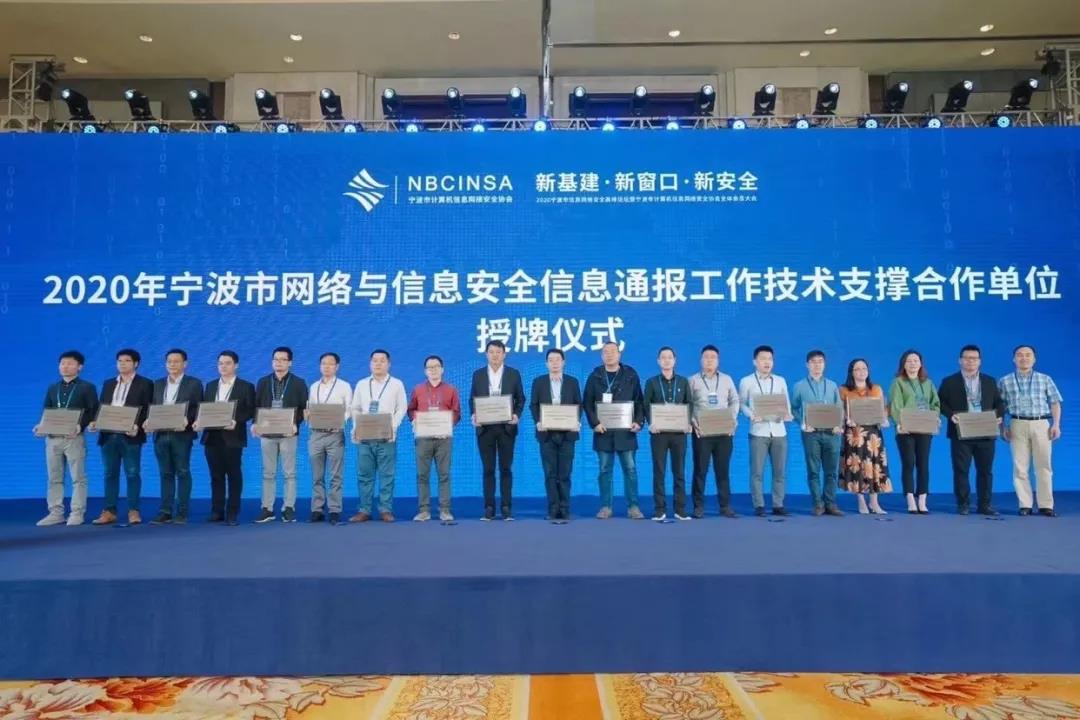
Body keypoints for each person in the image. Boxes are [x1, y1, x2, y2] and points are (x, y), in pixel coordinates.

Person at [33, 350, 99, 526]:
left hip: (74, 438)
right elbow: (47, 411)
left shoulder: (87, 387)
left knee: (78, 477)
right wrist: (40, 426)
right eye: (62, 363)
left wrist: (81, 425)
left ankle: (77, 512)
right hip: (52, 439)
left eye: (70, 363)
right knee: (54, 477)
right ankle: (56, 512)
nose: (65, 367)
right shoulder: (53, 388)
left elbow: (93, 411)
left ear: (80, 367)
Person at [938, 344, 1005, 516]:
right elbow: (940, 403)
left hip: (985, 432)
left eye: (974, 358)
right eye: (967, 358)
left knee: (985, 471)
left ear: (980, 361)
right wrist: (951, 415)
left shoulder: (990, 381)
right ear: (960, 360)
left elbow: (999, 402)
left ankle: (985, 505)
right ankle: (963, 504)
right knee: (961, 470)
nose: (970, 361)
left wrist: (999, 416)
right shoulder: (949, 381)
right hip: (961, 431)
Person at [998, 344, 1064, 517]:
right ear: (1014, 359)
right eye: (1020, 355)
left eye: (1028, 355)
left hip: (1041, 423)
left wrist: (1056, 424)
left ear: (1034, 359)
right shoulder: (1005, 381)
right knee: (1020, 467)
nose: (1024, 358)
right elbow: (1000, 407)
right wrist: (1002, 427)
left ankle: (1046, 505)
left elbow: (1055, 402)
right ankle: (1025, 504)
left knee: (1044, 466)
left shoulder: (1045, 379)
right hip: (1017, 423)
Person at [90, 349, 154, 526]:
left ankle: (133, 510)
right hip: (108, 435)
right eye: (119, 361)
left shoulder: (145, 384)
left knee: (132, 473)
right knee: (110, 474)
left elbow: (148, 409)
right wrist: (95, 422)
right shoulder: (109, 383)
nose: (122, 364)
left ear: (136, 363)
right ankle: (109, 511)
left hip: (130, 435)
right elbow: (102, 408)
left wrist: (138, 426)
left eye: (127, 360)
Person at [583, 341, 646, 519]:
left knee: (630, 469)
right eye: (605, 352)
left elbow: (639, 401)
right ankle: (606, 507)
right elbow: (587, 403)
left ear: (619, 354)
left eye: (613, 351)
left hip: (626, 432)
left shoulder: (630, 374)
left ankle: (633, 507)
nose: (609, 354)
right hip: (603, 432)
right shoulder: (595, 376)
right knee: (604, 470)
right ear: (601, 355)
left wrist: (638, 421)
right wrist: (595, 423)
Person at [469, 340, 526, 521]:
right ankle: (489, 507)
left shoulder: (513, 374)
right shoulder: (478, 375)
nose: (495, 355)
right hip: (485, 429)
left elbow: (521, 399)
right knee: (488, 469)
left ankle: (506, 507)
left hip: (506, 428)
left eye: (498, 352)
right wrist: (474, 415)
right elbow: (472, 400)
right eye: (491, 352)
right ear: (486, 354)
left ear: (504, 354)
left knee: (506, 469)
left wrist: (516, 415)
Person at [198, 350, 255, 525]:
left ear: (236, 365)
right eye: (220, 363)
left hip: (233, 436)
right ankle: (217, 511)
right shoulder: (210, 386)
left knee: (234, 476)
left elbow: (250, 410)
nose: (223, 366)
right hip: (212, 436)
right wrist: (199, 421)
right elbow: (205, 409)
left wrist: (236, 421)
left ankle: (232, 512)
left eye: (227, 363)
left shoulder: (245, 386)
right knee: (215, 476)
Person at [350, 349, 407, 522]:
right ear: (370, 364)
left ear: (389, 364)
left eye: (382, 361)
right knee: (364, 475)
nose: (378, 364)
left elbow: (402, 408)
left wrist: (392, 427)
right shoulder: (361, 384)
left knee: (387, 475)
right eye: (375, 360)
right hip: (365, 438)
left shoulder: (396, 384)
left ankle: (385, 509)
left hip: (386, 437)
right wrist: (357, 427)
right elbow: (355, 408)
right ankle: (364, 510)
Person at [148, 349, 203, 525]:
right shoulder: (157, 384)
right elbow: (152, 407)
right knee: (165, 473)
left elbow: (198, 408)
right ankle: (165, 511)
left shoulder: (194, 383)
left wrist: (189, 419)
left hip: (182, 434)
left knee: (183, 471)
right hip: (160, 434)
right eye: (169, 361)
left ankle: (182, 512)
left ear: (185, 364)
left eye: (176, 361)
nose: (172, 364)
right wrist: (148, 420)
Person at [253, 346, 307, 523]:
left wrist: (296, 424)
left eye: (283, 359)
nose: (279, 362)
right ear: (272, 362)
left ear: (290, 363)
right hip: (267, 434)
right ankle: (267, 508)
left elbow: (303, 408)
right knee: (268, 473)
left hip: (288, 434)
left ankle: (288, 508)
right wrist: (255, 423)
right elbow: (257, 406)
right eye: (276, 359)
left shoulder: (298, 383)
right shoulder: (263, 382)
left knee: (289, 473)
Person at [738, 345, 793, 517]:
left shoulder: (780, 380)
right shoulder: (746, 381)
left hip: (779, 432)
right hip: (758, 431)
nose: (767, 362)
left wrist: (787, 414)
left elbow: (786, 404)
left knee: (779, 471)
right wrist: (751, 415)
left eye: (770, 359)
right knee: (757, 471)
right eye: (763, 359)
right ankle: (759, 505)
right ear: (755, 362)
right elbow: (741, 404)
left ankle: (778, 504)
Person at [529, 348, 582, 524]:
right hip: (546, 435)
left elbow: (578, 405)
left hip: (567, 435)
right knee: (550, 474)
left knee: (565, 473)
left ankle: (565, 509)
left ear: (563, 362)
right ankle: (553, 509)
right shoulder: (539, 382)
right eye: (551, 360)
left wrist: (576, 421)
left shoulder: (572, 382)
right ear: (546, 364)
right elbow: (534, 405)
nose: (554, 363)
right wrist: (538, 421)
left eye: (558, 359)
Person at [407, 354, 461, 523]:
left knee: (444, 475)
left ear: (442, 369)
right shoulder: (418, 390)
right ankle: (424, 511)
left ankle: (445, 510)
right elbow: (411, 410)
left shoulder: (451, 390)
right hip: (423, 438)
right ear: (425, 371)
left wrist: (446, 425)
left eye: (436, 366)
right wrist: (415, 420)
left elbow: (457, 413)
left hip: (443, 439)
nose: (433, 370)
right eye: (430, 367)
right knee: (422, 475)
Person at [790, 350, 845, 517]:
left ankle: (830, 503)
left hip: (831, 434)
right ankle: (818, 504)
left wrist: (838, 425)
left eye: (820, 361)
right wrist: (802, 423)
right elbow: (793, 408)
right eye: (813, 362)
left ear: (825, 364)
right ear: (807, 365)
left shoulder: (832, 385)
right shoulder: (799, 386)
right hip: (811, 434)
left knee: (832, 471)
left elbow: (839, 408)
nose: (817, 365)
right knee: (813, 470)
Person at [688, 344, 739, 518]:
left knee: (722, 470)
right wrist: (693, 421)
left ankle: (725, 506)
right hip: (702, 432)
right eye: (706, 357)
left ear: (718, 360)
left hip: (724, 432)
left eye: (713, 357)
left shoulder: (726, 379)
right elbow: (687, 404)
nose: (709, 360)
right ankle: (698, 506)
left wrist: (731, 419)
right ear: (701, 360)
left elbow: (735, 400)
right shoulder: (693, 380)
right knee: (700, 470)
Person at [888, 349, 940, 514]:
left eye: (916, 360)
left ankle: (922, 499)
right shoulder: (898, 382)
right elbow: (895, 405)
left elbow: (935, 404)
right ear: (903, 364)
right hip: (906, 430)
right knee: (909, 462)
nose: (913, 364)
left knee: (923, 463)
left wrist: (934, 418)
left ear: (921, 364)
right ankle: (910, 499)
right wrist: (899, 422)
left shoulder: (928, 383)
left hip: (924, 428)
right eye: (909, 361)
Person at [643, 346, 692, 521]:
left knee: (679, 472)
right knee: (659, 472)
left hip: (679, 434)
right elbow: (646, 405)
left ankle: (680, 509)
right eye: (663, 357)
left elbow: (689, 404)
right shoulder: (651, 382)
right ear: (658, 361)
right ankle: (659, 510)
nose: (666, 360)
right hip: (659, 434)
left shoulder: (683, 382)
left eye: (670, 357)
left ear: (675, 360)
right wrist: (651, 423)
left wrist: (687, 422)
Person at [838, 359, 892, 514]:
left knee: (875, 467)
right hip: (854, 434)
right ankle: (861, 500)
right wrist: (845, 420)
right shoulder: (844, 390)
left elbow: (882, 410)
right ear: (851, 372)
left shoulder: (876, 389)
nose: (861, 371)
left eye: (864, 368)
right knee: (858, 467)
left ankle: (874, 502)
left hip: (873, 434)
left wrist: (884, 419)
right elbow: (840, 411)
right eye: (857, 369)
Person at [306, 352, 352, 525]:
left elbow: (349, 409)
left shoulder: (344, 386)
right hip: (316, 434)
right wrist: (308, 415)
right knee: (316, 475)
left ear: (337, 367)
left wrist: (339, 422)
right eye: (323, 363)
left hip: (335, 434)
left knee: (335, 475)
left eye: (330, 364)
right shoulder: (314, 387)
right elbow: (310, 408)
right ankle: (317, 509)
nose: (326, 367)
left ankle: (334, 510)